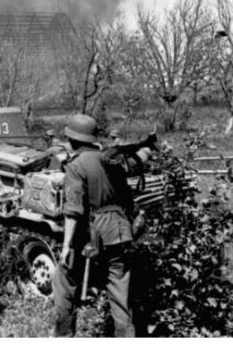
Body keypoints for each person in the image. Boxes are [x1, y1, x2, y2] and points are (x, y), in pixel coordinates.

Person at [53, 113, 136, 337]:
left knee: (64, 281)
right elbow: (128, 199)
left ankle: (64, 337)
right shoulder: (110, 159)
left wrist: (66, 247)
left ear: (72, 140)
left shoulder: (76, 165)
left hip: (93, 234)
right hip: (120, 232)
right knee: (120, 295)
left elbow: (73, 211)